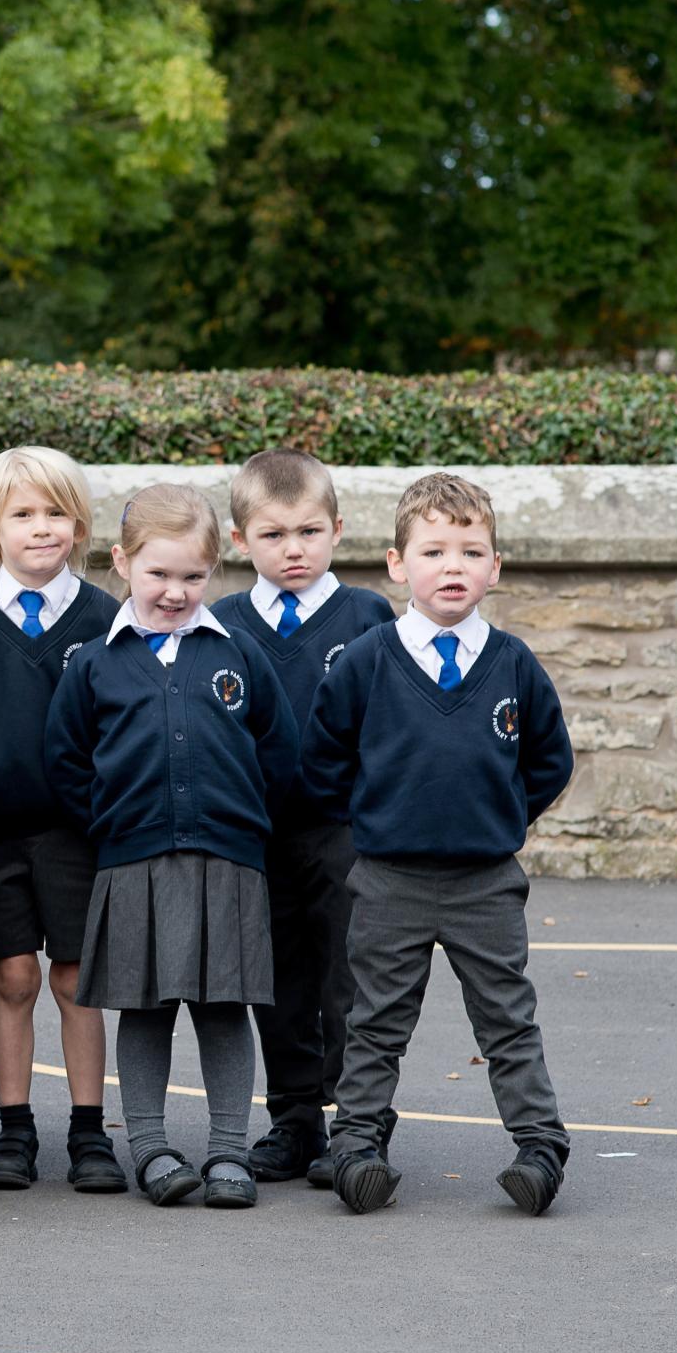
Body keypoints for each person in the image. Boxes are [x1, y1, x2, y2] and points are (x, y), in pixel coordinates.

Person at [304, 472, 577, 1216]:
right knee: (376, 1019)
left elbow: (550, 759)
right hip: (389, 878)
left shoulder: (513, 663)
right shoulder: (366, 660)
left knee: (506, 1018)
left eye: (470, 550)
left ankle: (540, 1147)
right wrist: (375, 821)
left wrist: (498, 818)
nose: (452, 566)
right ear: (398, 565)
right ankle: (357, 1144)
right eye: (433, 550)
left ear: (496, 567)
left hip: (486, 880)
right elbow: (323, 761)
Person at [44, 484, 297, 1210]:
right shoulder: (94, 661)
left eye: (192, 575)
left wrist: (242, 819)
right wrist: (115, 820)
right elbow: (66, 760)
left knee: (224, 1007)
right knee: (145, 1008)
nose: (175, 591)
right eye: (159, 573)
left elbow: (278, 753)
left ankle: (226, 1151)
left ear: (214, 570)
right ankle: (151, 1149)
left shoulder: (238, 653)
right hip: (133, 859)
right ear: (122, 563)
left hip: (229, 859)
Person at [0, 445, 124, 1194]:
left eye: (56, 513)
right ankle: (14, 1128)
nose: (41, 528)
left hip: (77, 830)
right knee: (14, 975)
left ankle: (88, 1131)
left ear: (78, 524)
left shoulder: (108, 618)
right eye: (23, 514)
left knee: (75, 978)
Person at [210, 447, 397, 1187]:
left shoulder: (367, 616)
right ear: (239, 540)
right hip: (257, 832)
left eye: (310, 532)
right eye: (274, 534)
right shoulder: (221, 623)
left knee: (349, 977)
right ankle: (294, 1119)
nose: (294, 549)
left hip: (344, 830)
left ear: (338, 530)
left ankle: (360, 1123)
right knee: (278, 978)